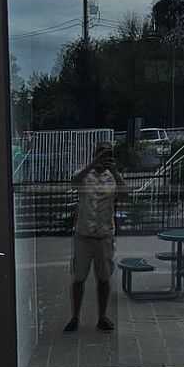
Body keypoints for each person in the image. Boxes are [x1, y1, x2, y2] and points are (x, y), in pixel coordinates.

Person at [64, 142, 127, 333]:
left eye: (107, 154)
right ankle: (75, 316)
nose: (103, 158)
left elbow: (124, 196)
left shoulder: (113, 177)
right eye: (100, 153)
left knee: (104, 278)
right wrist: (92, 165)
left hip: (104, 234)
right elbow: (74, 183)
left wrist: (115, 172)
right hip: (84, 234)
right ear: (94, 155)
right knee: (79, 278)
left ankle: (102, 316)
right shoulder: (84, 174)